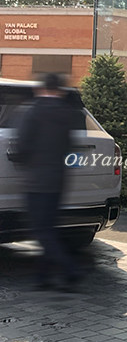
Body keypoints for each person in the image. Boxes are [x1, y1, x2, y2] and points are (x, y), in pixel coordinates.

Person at [13, 73, 83, 290]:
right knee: (48, 229)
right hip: (57, 179)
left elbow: (22, 146)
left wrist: (20, 161)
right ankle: (42, 277)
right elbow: (68, 146)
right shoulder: (66, 113)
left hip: (36, 181)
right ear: (59, 90)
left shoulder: (32, 111)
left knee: (41, 231)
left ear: (41, 88)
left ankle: (71, 270)